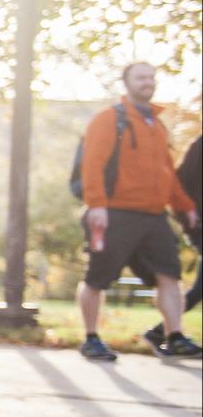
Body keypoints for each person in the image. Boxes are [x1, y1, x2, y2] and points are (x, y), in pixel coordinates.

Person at [76, 63, 201, 361]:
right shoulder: (109, 120)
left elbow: (167, 174)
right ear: (127, 82)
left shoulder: (157, 126)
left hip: (154, 216)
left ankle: (175, 337)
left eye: (151, 78)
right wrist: (96, 205)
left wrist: (185, 206)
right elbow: (92, 164)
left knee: (169, 276)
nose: (147, 83)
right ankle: (91, 338)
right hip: (115, 213)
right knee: (97, 278)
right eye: (141, 78)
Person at [146, 135, 203, 350]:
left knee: (199, 289)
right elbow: (177, 182)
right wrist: (190, 215)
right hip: (198, 223)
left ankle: (160, 332)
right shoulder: (200, 145)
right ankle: (165, 333)